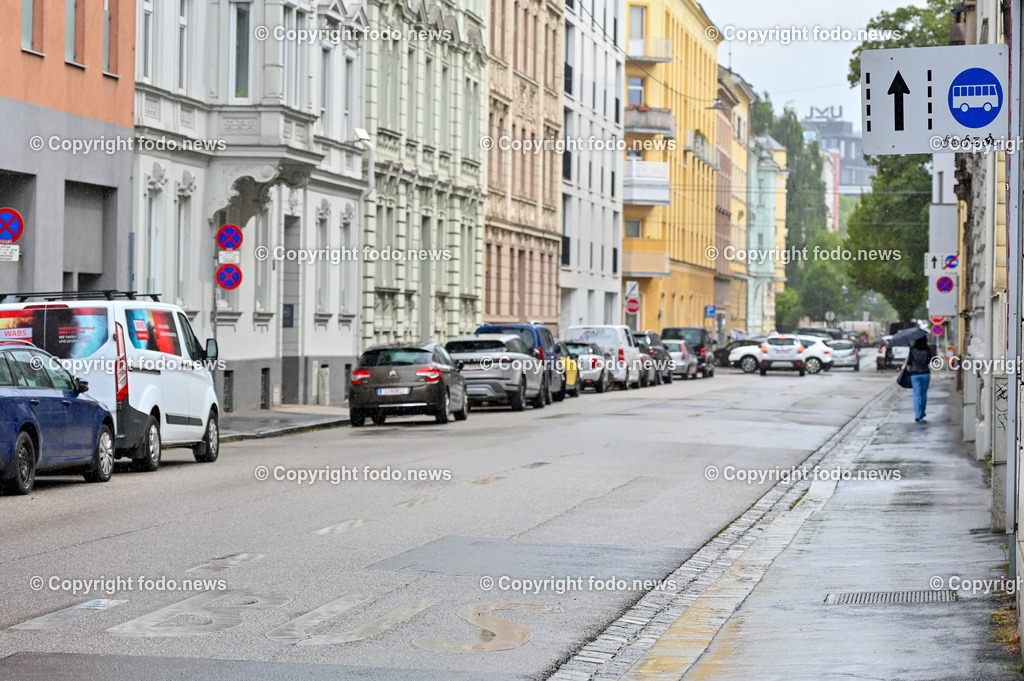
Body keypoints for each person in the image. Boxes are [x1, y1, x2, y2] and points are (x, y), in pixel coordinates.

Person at [904, 336, 935, 422]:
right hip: (925, 373)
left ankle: (917, 415)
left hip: (914, 374)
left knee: (916, 395)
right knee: (924, 394)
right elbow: (929, 361)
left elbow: (910, 362)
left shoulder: (913, 349)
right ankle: (922, 412)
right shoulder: (927, 349)